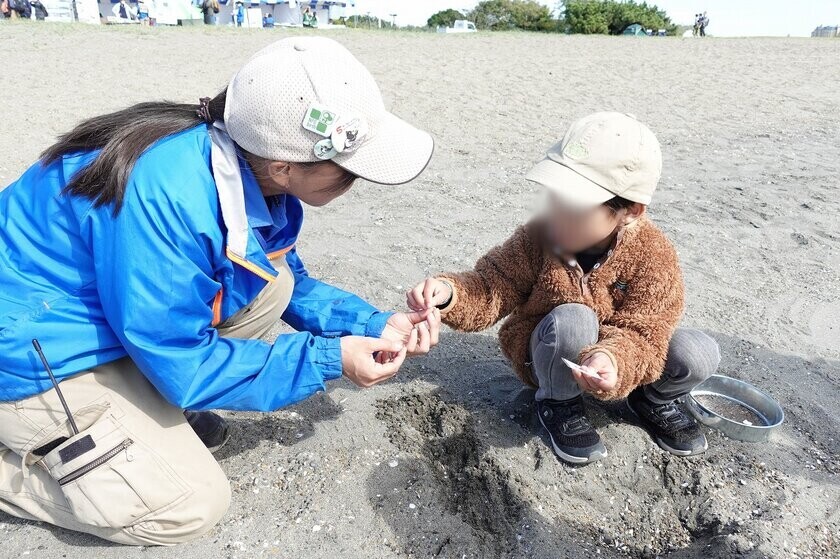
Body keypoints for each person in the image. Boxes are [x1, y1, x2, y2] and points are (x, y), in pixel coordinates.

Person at [0, 37, 437, 545]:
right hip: (29, 345)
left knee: (274, 287)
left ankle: (137, 416)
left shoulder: (234, 160)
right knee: (187, 504)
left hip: (101, 316)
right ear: (284, 166)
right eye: (348, 170)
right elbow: (178, 358)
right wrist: (327, 359)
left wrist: (369, 325)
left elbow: (273, 272)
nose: (355, 182)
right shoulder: (170, 198)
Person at [407, 112, 720, 465]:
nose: (555, 215)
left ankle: (652, 399)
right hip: (548, 347)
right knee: (574, 319)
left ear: (630, 210)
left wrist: (611, 359)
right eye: (552, 197)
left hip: (619, 357)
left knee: (699, 353)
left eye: (573, 206)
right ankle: (557, 401)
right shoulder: (538, 238)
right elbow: (492, 286)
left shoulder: (654, 256)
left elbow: (645, 333)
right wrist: (449, 293)